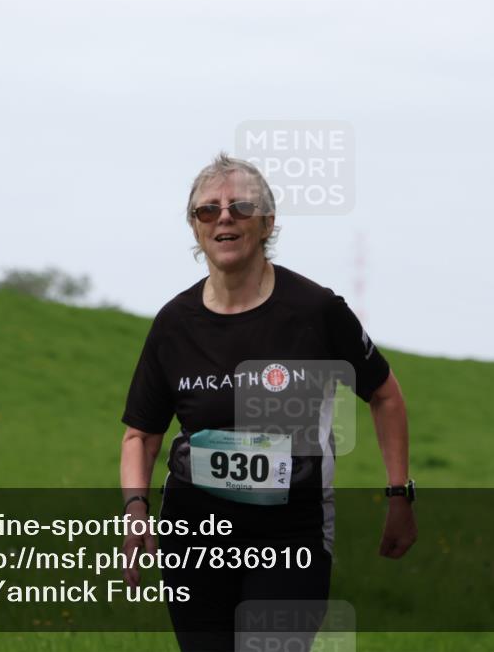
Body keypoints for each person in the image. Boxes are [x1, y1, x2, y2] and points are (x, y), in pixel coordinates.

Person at [119, 153, 416, 652]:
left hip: (290, 534)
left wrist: (399, 494)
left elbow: (384, 394)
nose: (224, 217)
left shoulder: (316, 311)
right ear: (195, 228)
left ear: (268, 222)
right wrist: (135, 512)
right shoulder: (174, 323)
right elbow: (141, 435)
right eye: (207, 210)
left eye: (240, 206)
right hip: (194, 533)